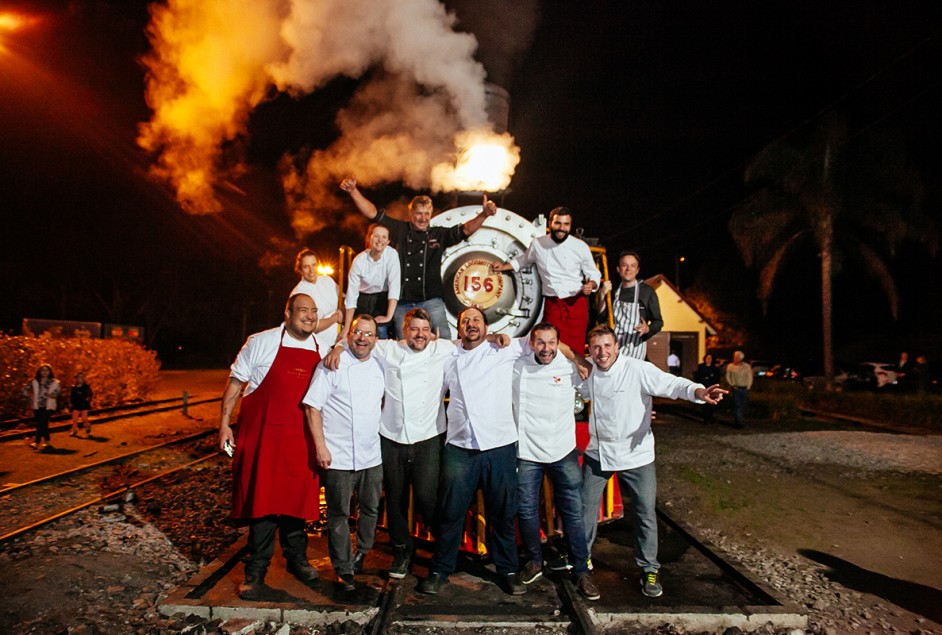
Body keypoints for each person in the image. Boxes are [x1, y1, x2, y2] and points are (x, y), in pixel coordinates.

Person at [324, 307, 509, 580]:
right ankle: (402, 551)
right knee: (396, 499)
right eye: (414, 329)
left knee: (427, 497)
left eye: (425, 330)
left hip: (428, 437)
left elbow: (472, 339)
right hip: (392, 437)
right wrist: (338, 349)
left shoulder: (444, 348)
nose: (419, 335)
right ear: (404, 330)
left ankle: (444, 547)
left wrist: (493, 336)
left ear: (433, 333)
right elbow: (359, 339)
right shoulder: (388, 349)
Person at [418, 307, 583, 596]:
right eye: (466, 320)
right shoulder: (448, 352)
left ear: (486, 326)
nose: (471, 324)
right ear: (459, 328)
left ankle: (507, 569)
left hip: (500, 446)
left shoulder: (504, 348)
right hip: (460, 446)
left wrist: (577, 359)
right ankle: (440, 570)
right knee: (451, 512)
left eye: (477, 321)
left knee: (503, 513)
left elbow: (547, 340)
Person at [578, 325, 726, 599]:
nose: (602, 353)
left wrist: (698, 392)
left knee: (645, 512)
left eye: (607, 346)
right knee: (585, 510)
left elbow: (673, 384)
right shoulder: (587, 371)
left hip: (638, 453)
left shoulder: (638, 370)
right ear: (589, 350)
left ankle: (649, 569)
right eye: (596, 347)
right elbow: (566, 392)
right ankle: (581, 562)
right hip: (599, 452)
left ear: (617, 346)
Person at [218, 293, 323, 600]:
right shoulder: (261, 342)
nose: (309, 316)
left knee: (296, 505)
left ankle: (296, 559)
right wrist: (224, 424)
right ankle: (256, 570)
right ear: (287, 312)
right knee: (262, 507)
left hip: (300, 439)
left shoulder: (323, 348)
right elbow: (236, 384)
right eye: (303, 310)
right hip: (264, 438)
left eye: (314, 312)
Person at [340, 177, 497, 339]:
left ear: (431, 214)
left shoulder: (438, 234)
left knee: (443, 338)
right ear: (411, 213)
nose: (423, 218)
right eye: (419, 214)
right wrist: (353, 191)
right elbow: (373, 213)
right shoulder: (400, 230)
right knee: (404, 340)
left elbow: (465, 231)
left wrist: (484, 215)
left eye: (427, 214)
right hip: (402, 302)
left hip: (431, 300)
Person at [513, 322, 600, 600]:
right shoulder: (516, 366)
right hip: (527, 452)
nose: (546, 349)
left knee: (573, 512)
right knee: (526, 511)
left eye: (552, 343)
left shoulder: (570, 365)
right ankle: (535, 561)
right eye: (540, 342)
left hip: (563, 451)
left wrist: (574, 355)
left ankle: (582, 569)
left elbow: (598, 382)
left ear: (559, 344)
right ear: (531, 343)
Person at [303, 314, 386, 592]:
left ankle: (362, 551)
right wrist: (320, 446)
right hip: (337, 455)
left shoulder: (379, 366)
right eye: (357, 333)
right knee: (339, 514)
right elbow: (312, 407)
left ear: (376, 339)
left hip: (371, 455)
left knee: (371, 508)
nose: (362, 338)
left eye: (368, 334)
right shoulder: (331, 365)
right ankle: (344, 568)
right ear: (348, 335)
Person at [492, 206, 600, 351]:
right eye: (558, 223)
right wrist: (503, 267)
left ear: (570, 225)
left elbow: (594, 274)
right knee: (548, 345)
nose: (562, 228)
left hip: (576, 304)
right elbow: (523, 260)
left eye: (566, 224)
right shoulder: (538, 243)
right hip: (553, 304)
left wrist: (591, 285)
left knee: (575, 349)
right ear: (550, 223)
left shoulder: (580, 246)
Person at [596, 251, 663, 360]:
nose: (628, 269)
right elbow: (601, 317)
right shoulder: (613, 291)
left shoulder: (647, 292)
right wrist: (602, 294)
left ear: (637, 270)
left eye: (632, 266)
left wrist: (647, 329)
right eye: (624, 265)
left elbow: (658, 322)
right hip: (613, 348)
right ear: (618, 269)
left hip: (635, 347)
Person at [339, 224, 400, 341]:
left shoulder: (392, 255)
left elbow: (394, 286)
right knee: (360, 333)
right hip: (362, 299)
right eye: (376, 236)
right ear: (369, 238)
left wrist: (388, 316)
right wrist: (346, 328)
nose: (380, 240)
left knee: (380, 332)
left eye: (383, 237)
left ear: (388, 241)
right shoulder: (359, 260)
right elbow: (351, 297)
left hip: (383, 299)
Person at [291, 249, 344, 355]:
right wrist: (334, 318)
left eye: (314, 265)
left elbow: (344, 301)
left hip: (340, 341)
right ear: (300, 269)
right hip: (319, 346)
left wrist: (342, 315)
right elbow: (311, 325)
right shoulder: (299, 293)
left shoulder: (327, 280)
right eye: (306, 267)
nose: (311, 270)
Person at [23, 363, 61, 451]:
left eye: (46, 370)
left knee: (42, 423)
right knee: (43, 424)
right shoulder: (35, 381)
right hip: (37, 405)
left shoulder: (54, 382)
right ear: (39, 372)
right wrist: (30, 399)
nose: (44, 372)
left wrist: (52, 395)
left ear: (50, 372)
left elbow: (58, 393)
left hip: (48, 405)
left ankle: (36, 442)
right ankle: (47, 442)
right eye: (42, 370)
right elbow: (25, 390)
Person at [724, 351, 753, 429]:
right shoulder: (730, 366)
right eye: (734, 357)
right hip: (736, 388)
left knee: (742, 405)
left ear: (741, 358)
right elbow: (728, 376)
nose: (735, 359)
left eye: (737, 357)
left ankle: (738, 420)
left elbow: (749, 376)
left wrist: (748, 386)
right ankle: (739, 423)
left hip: (744, 388)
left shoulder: (746, 366)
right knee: (738, 405)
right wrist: (732, 384)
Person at [694, 354, 722, 423]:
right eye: (707, 358)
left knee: (711, 402)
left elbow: (717, 378)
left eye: (710, 358)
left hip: (711, 387)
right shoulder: (701, 367)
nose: (708, 359)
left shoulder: (715, 368)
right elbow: (698, 376)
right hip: (703, 386)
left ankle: (709, 416)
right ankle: (705, 416)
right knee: (704, 402)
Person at [68, 372, 94, 437]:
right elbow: (71, 396)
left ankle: (87, 425)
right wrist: (70, 403)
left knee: (84, 418)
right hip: (76, 405)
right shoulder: (74, 388)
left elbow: (90, 393)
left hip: (84, 405)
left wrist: (88, 398)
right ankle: (74, 430)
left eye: (82, 377)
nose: (80, 379)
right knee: (74, 419)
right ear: (76, 379)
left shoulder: (86, 387)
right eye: (79, 377)